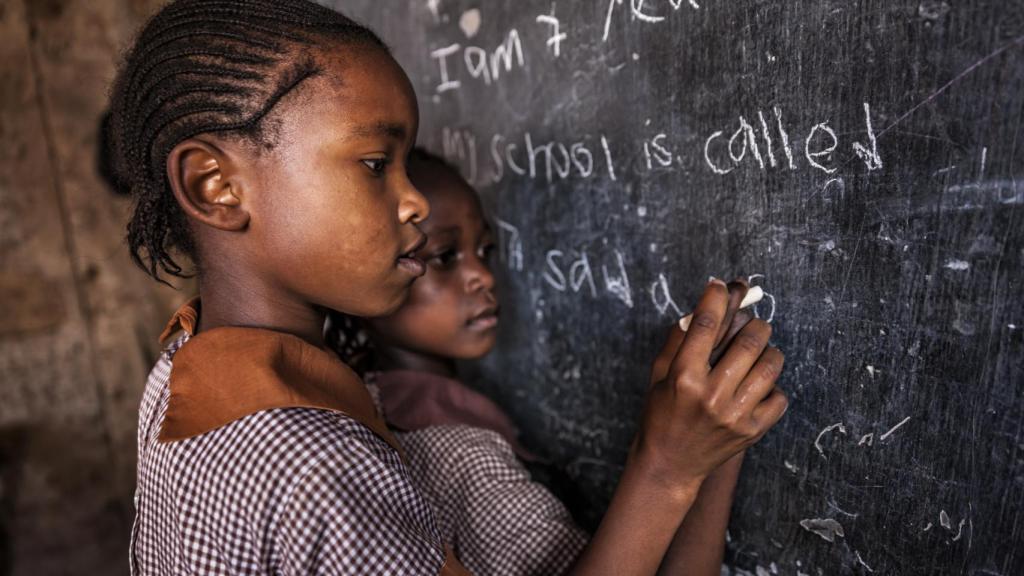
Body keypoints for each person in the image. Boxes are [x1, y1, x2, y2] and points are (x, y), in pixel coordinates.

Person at [106, 0, 788, 573]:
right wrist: (666, 466)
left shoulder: (185, 369)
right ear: (214, 185)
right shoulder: (320, 466)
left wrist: (699, 454)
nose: (413, 204)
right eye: (375, 163)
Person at [330, 150, 762, 575]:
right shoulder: (456, 455)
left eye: (485, 249)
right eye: (444, 256)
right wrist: (672, 464)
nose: (482, 275)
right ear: (365, 270)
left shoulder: (374, 400)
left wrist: (710, 444)